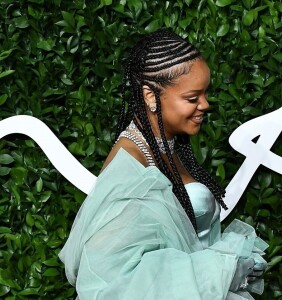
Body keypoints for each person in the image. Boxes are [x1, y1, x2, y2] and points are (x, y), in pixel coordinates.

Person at [59, 29, 268, 300]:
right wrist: (219, 272)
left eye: (205, 93)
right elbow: (111, 276)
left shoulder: (168, 144)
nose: (205, 104)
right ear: (150, 95)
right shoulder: (132, 167)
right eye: (192, 98)